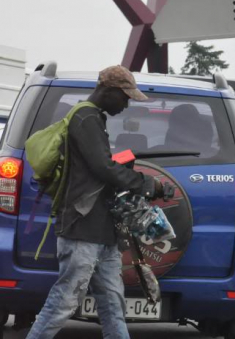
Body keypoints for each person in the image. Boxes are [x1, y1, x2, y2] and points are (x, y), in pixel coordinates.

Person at [26, 66, 164, 339]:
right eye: (124, 97)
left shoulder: (93, 118)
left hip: (102, 230)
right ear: (108, 91)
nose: (126, 104)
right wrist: (146, 184)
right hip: (82, 229)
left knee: (112, 303)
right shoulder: (86, 118)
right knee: (64, 301)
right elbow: (103, 168)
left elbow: (97, 169)